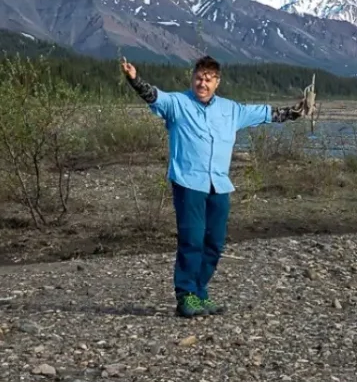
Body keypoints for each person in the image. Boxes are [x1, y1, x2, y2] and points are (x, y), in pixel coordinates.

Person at [119, 55, 311, 318]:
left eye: (209, 79)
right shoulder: (177, 103)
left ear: (217, 82)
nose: (203, 83)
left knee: (214, 242)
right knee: (192, 239)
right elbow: (153, 96)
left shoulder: (231, 110)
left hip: (219, 184)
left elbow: (267, 114)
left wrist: (296, 112)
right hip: (188, 182)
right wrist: (134, 79)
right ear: (192, 78)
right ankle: (186, 296)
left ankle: (199, 292)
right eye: (199, 78)